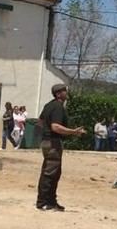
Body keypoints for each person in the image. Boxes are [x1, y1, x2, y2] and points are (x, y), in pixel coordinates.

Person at [36, 82, 85, 210]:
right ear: (58, 94)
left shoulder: (48, 105)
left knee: (54, 172)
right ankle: (43, 202)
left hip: (46, 141)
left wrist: (45, 133)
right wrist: (73, 132)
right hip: (53, 142)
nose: (66, 93)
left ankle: (51, 201)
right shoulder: (58, 107)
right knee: (50, 173)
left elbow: (40, 122)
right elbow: (55, 127)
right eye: (64, 91)